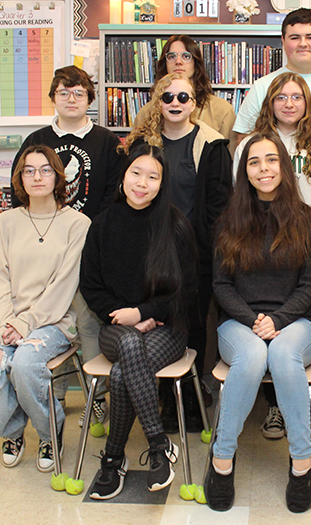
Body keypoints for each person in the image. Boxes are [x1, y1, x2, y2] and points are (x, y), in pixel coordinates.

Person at [204, 133, 311, 513]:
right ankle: (222, 461)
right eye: (254, 162)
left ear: (284, 167)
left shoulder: (310, 220)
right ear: (245, 171)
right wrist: (254, 320)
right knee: (254, 356)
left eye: (271, 160)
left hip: (298, 321)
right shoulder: (229, 220)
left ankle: (301, 462)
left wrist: (278, 320)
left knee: (286, 354)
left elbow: (310, 287)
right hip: (240, 322)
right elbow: (221, 285)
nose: (264, 169)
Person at [0, 145, 90, 473]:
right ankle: (13, 429)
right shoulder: (5, 222)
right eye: (29, 170)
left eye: (45, 169)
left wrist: (26, 323)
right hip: (3, 316)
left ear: (59, 176)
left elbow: (65, 285)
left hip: (53, 319)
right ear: (20, 178)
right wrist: (7, 320)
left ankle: (49, 433)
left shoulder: (78, 224)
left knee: (24, 366)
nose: (37, 177)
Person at [79, 144, 198, 499]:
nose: (142, 183)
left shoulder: (175, 224)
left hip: (167, 328)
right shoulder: (102, 224)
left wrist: (145, 313)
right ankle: (159, 446)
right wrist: (126, 316)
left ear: (162, 184)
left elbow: (186, 291)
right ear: (124, 176)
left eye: (152, 177)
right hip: (116, 328)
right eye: (136, 173)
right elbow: (91, 287)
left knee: (120, 372)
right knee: (130, 344)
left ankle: (113, 460)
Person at [232, 71, 311, 441]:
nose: (289, 103)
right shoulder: (249, 145)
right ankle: (273, 409)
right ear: (270, 102)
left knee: (298, 330)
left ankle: (306, 406)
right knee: (261, 329)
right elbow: (240, 197)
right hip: (256, 256)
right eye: (281, 97)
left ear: (307, 104)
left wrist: (302, 240)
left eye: (297, 97)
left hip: (309, 254)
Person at [11, 65, 125, 426]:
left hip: (90, 249)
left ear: (90, 98)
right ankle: (52, 394)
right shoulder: (37, 139)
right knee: (46, 321)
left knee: (88, 324)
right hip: (45, 252)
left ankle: (97, 398)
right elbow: (20, 189)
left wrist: (90, 231)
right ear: (53, 98)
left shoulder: (106, 141)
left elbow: (113, 193)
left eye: (79, 92)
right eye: (64, 92)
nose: (71, 98)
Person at [124, 72, 232, 431]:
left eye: (183, 98)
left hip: (193, 253)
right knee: (152, 321)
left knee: (193, 325)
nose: (175, 103)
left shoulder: (212, 145)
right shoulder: (143, 145)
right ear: (158, 100)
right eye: (167, 96)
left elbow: (218, 206)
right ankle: (154, 396)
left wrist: (207, 253)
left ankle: (186, 398)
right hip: (144, 250)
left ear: (195, 103)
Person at [232, 8, 311, 149]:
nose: (303, 43)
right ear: (283, 41)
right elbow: (243, 141)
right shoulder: (261, 87)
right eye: (295, 38)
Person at [133, 35, 236, 154]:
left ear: (196, 63)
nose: (178, 62)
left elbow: (230, 161)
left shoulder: (222, 110)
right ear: (164, 64)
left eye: (186, 56)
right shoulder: (146, 112)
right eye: (171, 56)